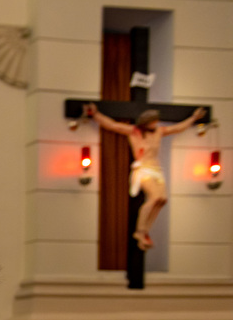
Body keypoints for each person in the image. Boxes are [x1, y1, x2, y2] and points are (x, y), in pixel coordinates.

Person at [85, 102, 206, 250]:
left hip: (157, 169)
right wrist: (96, 115)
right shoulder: (134, 132)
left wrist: (193, 118)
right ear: (146, 122)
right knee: (154, 197)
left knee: (162, 200)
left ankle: (146, 231)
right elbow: (113, 125)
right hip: (144, 168)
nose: (156, 123)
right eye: (153, 121)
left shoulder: (159, 131)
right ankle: (140, 231)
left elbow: (177, 127)